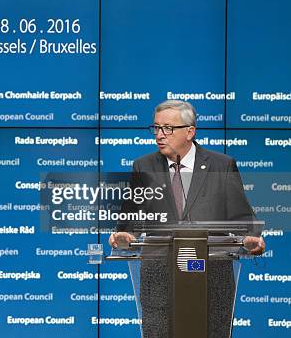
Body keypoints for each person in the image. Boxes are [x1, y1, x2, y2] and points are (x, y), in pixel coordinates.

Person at [108, 100, 264, 338]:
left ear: (190, 131)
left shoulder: (221, 166)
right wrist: (126, 235)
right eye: (157, 128)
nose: (160, 135)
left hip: (212, 278)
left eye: (168, 128)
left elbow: (243, 218)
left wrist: (249, 239)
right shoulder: (144, 166)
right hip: (158, 278)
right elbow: (131, 218)